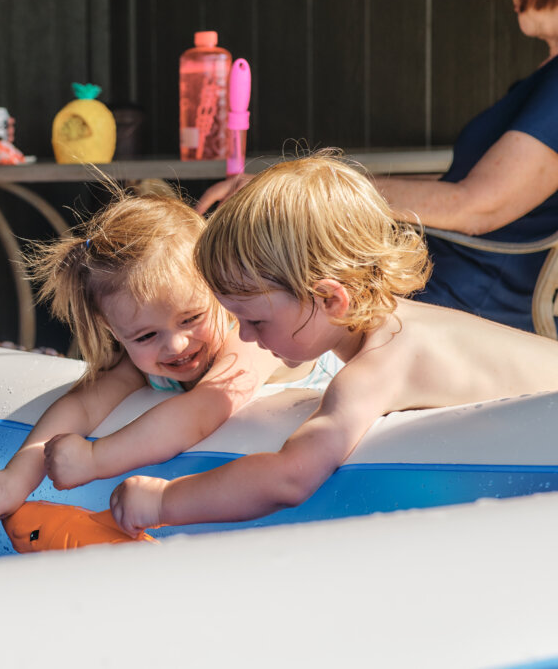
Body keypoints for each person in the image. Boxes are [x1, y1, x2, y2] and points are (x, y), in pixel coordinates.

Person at [108, 153, 558, 536]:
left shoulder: (381, 364)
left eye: (255, 320)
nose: (243, 337)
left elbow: (290, 479)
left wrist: (164, 500)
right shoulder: (396, 324)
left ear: (329, 299)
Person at [0, 189, 345, 534]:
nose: (175, 344)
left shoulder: (253, 339)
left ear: (219, 290)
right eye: (145, 336)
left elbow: (201, 411)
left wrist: (95, 458)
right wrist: (16, 478)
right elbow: (83, 404)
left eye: (191, 318)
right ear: (114, 333)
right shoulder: (140, 363)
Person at [196, 0, 558, 334]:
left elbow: (475, 206)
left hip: (465, 300)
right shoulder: (545, 79)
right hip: (437, 280)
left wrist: (299, 196)